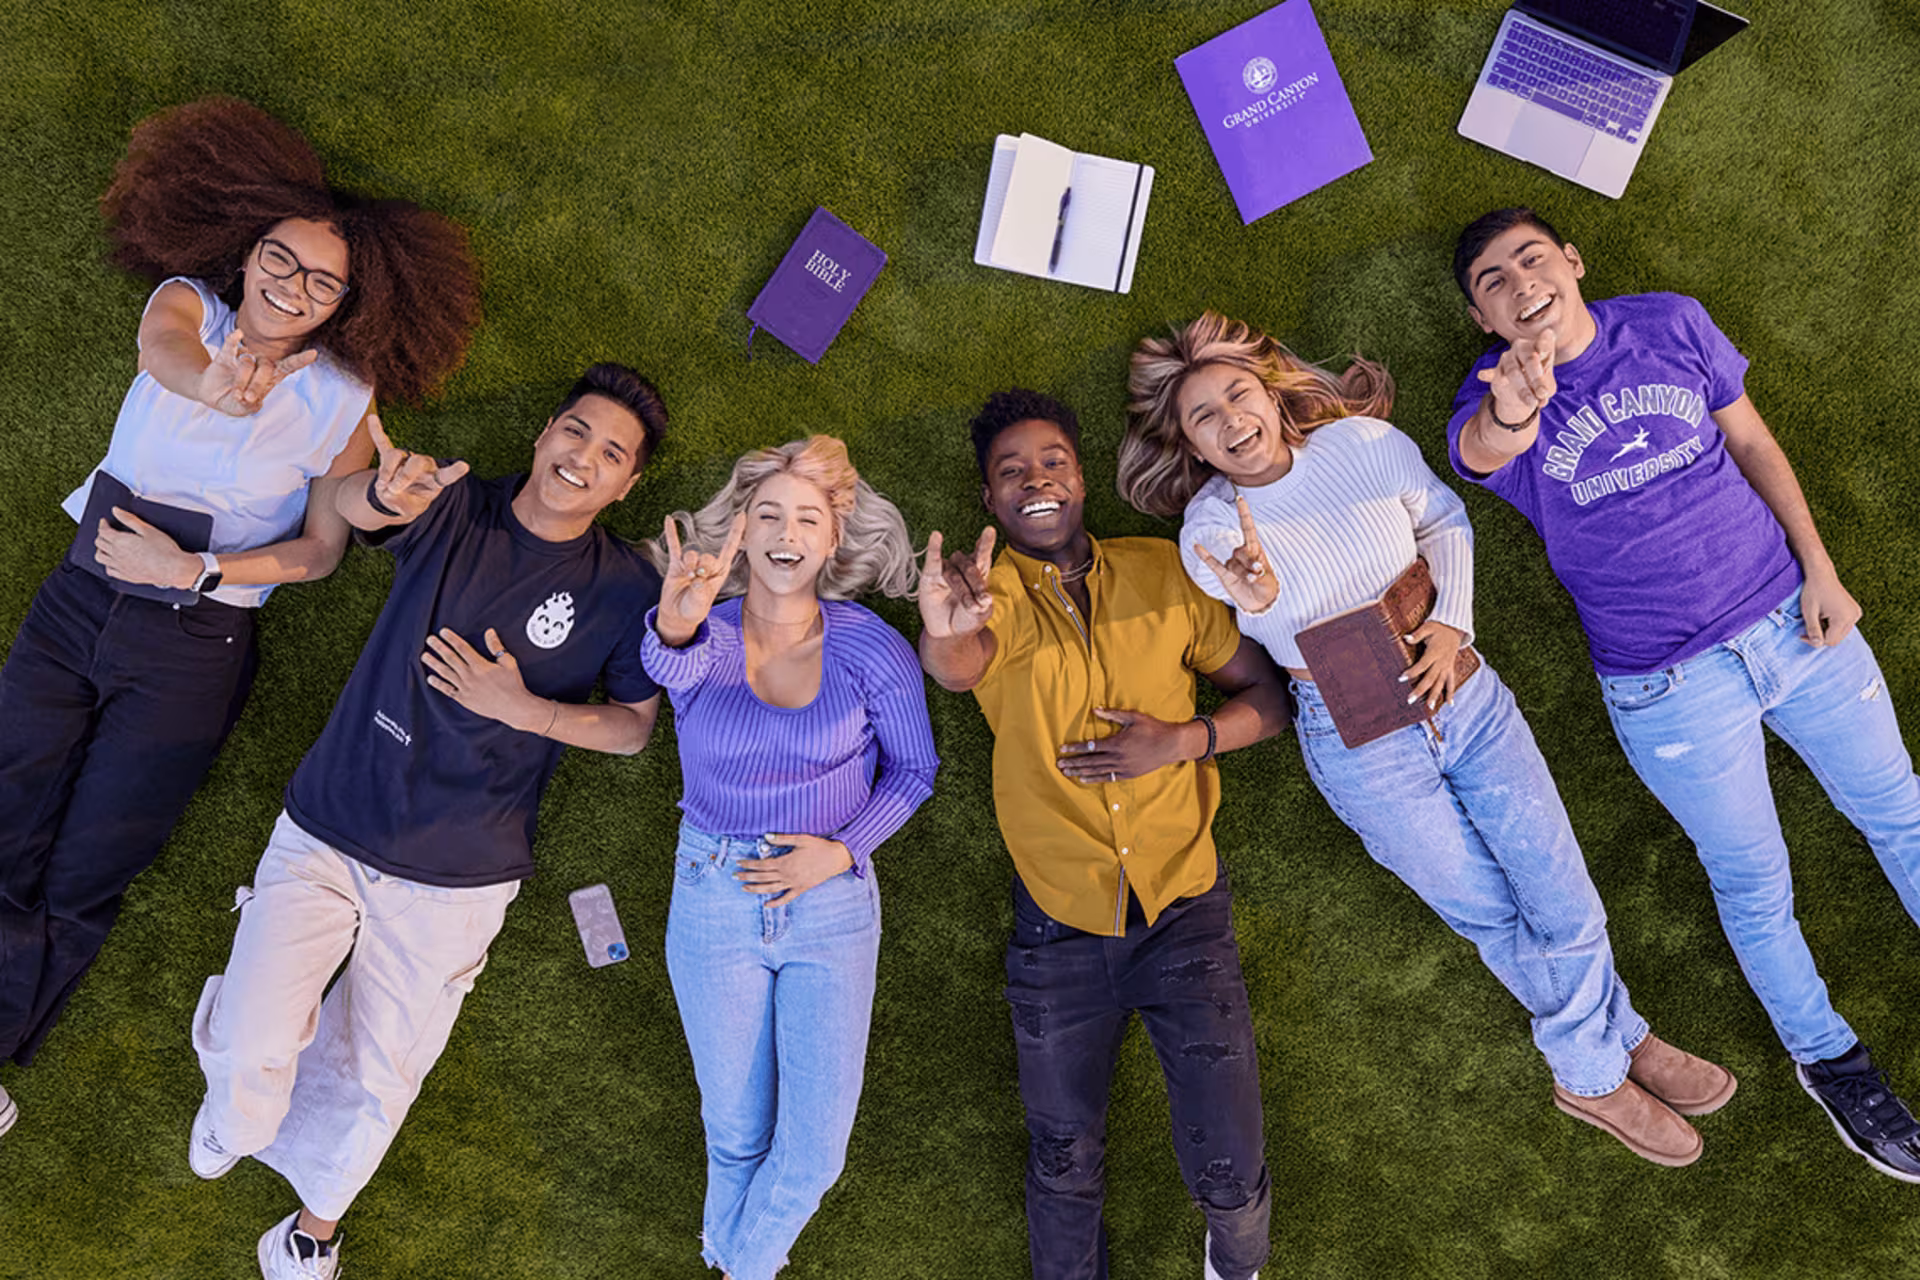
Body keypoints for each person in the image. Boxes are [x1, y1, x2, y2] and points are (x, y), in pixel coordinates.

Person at [1120, 310, 1736, 1168]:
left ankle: (1603, 1056)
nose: (1231, 420)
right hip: (1358, 735)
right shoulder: (1209, 531)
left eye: (1237, 394)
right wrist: (1249, 588)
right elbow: (1255, 597)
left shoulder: (1364, 443)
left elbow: (1445, 519)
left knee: (1561, 890)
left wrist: (1453, 624)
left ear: (1267, 389)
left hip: (1464, 692)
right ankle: (1606, 1057)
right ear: (1189, 445)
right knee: (1489, 912)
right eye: (1203, 418)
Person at [0, 98, 480, 1136]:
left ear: (345, 300)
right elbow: (164, 356)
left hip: (192, 642)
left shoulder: (346, 401)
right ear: (246, 249)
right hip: (78, 599)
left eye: (320, 280)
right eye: (281, 258)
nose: (292, 285)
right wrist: (216, 388)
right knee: (6, 810)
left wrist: (229, 556)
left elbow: (321, 542)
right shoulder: (187, 310)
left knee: (91, 860)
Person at [1449, 206, 1920, 1181]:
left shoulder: (1668, 322)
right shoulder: (1493, 393)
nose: (1520, 279)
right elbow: (1478, 451)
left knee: (1905, 816)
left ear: (1572, 262)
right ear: (1481, 317)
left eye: (1532, 256)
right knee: (1756, 880)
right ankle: (1832, 1061)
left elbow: (1753, 445)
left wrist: (1820, 568)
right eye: (1493, 279)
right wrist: (1516, 406)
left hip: (1797, 619)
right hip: (1669, 687)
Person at [188, 363, 668, 1279]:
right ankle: (240, 1114)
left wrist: (527, 709)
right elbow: (367, 509)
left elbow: (634, 729)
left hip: (461, 870)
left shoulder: (624, 589)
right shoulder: (455, 504)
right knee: (253, 1045)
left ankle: (307, 1237)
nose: (585, 457)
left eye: (612, 454)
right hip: (331, 823)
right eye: (577, 432)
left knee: (382, 1075)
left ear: (627, 485)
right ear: (543, 434)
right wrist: (376, 488)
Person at [918, 389, 1291, 1280]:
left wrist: (1181, 740)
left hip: (1183, 908)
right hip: (1058, 924)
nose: (1033, 480)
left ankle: (1234, 1268)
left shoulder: (1163, 572)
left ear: (1080, 475)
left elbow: (1269, 700)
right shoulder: (984, 595)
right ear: (989, 501)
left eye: (1050, 461)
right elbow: (959, 667)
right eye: (1010, 472)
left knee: (1231, 1166)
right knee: (1062, 1160)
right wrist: (944, 632)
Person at [642, 435, 937, 1280]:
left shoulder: (870, 646)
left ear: (833, 537)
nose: (785, 531)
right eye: (766, 512)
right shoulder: (704, 629)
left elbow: (915, 772)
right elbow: (668, 663)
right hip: (713, 891)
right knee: (734, 1136)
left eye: (806, 516)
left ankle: (733, 1265)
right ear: (739, 528)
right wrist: (678, 615)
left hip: (832, 903)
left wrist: (841, 853)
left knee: (812, 1154)